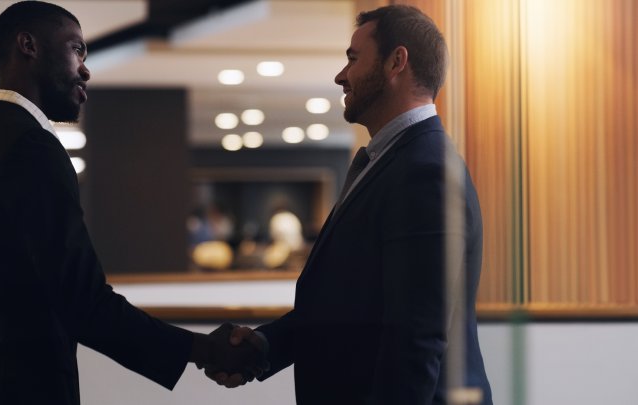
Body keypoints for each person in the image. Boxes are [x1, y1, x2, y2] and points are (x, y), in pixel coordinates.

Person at [0, 2, 265, 405]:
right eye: (76, 49)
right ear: (28, 45)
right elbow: (83, 299)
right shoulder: (30, 148)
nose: (85, 69)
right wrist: (204, 349)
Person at [203, 5, 493, 404]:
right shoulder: (391, 163)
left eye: (353, 59)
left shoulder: (426, 172)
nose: (341, 76)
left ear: (396, 62)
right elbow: (351, 306)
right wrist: (264, 346)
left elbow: (414, 344)